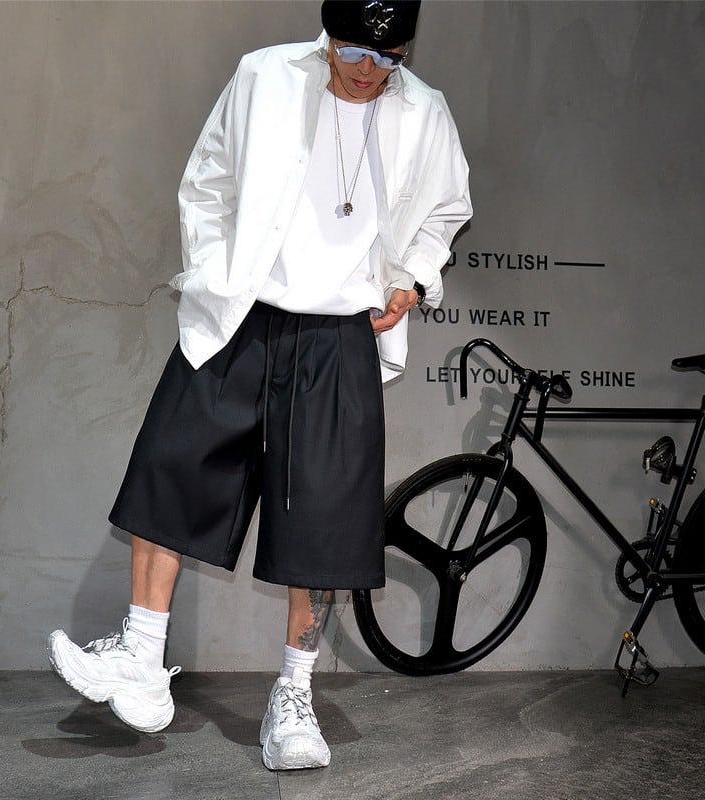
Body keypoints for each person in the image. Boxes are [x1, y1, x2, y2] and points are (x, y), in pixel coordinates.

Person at [48, 0, 471, 771]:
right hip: (242, 317)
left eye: (390, 57)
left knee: (323, 517)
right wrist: (217, 273)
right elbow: (207, 181)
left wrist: (411, 277)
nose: (369, 70)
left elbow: (446, 211)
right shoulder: (264, 76)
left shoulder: (426, 112)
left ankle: (295, 698)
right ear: (328, 34)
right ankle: (141, 658)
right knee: (171, 465)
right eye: (355, 51)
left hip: (338, 334)